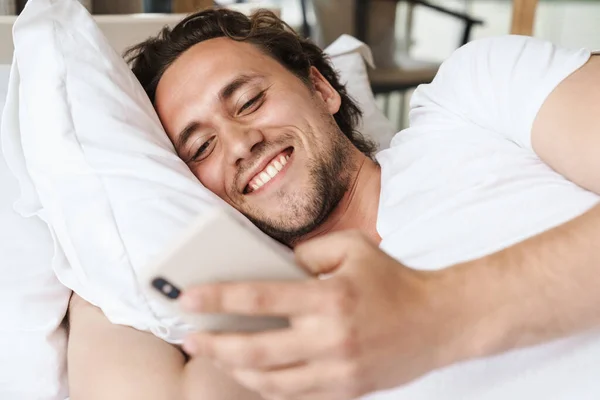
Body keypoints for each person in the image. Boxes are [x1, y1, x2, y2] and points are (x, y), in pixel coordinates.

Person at [67, 8, 600, 400]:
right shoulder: (273, 329)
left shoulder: (475, 97)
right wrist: (93, 220)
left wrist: (434, 314)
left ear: (321, 89)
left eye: (249, 100)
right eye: (200, 147)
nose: (238, 143)